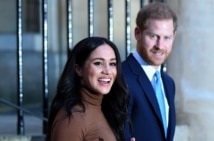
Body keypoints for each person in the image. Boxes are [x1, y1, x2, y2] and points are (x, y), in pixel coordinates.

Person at [46, 37, 134, 141]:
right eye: (98, 63)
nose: (107, 71)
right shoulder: (73, 118)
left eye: (112, 64)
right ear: (78, 69)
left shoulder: (107, 109)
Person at [122, 2, 177, 141]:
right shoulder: (121, 77)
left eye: (166, 38)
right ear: (138, 33)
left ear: (174, 36)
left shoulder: (168, 83)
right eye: (153, 36)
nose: (160, 45)